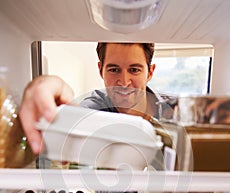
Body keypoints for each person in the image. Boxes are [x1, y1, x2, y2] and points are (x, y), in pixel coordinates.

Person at [19, 42, 177, 155]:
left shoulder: (177, 110)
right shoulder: (95, 106)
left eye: (134, 70)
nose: (124, 82)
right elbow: (74, 118)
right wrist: (51, 86)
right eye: (114, 69)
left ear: (150, 72)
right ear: (101, 70)